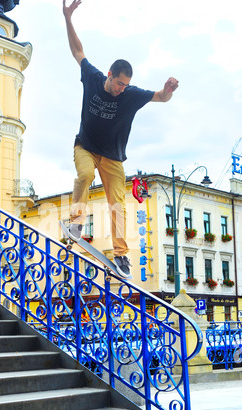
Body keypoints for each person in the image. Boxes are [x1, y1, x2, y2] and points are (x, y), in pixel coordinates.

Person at [63, 0, 179, 278]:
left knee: (118, 202)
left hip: (113, 156)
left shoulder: (131, 94)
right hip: (86, 148)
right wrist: (68, 18)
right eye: (118, 83)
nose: (121, 89)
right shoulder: (91, 77)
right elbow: (78, 50)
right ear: (110, 75)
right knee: (84, 175)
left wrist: (168, 90)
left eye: (125, 85)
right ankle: (76, 224)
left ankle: (121, 255)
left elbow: (161, 98)